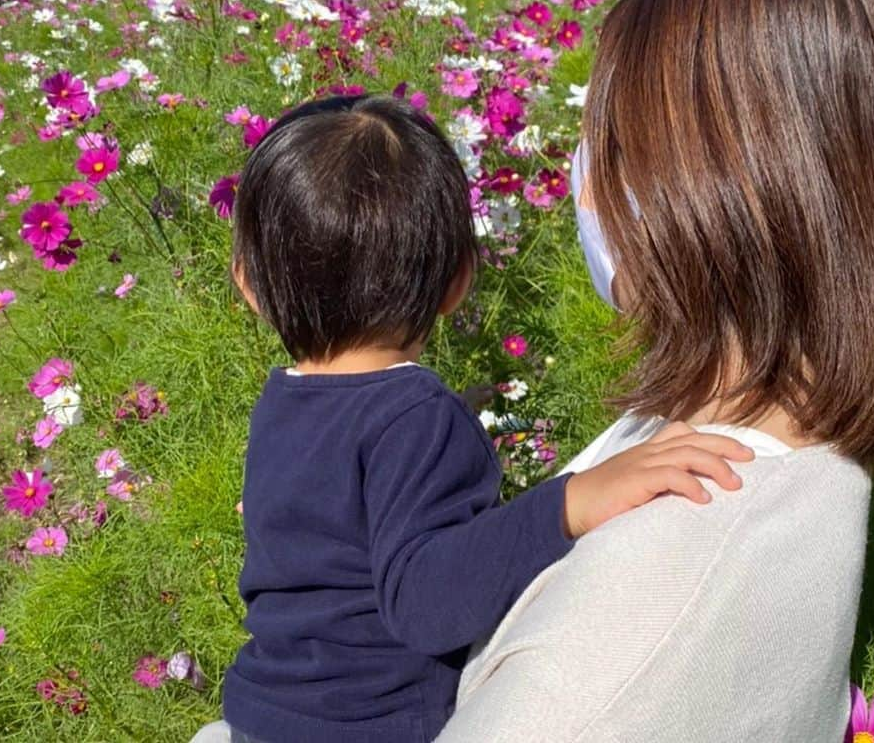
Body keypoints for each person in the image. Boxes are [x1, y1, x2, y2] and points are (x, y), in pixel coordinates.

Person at [437, 0, 874, 741]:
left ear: (702, 192)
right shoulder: (798, 455)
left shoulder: (603, 671)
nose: (582, 185)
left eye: (606, 144)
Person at [194, 95, 753, 743]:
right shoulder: (416, 417)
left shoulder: (282, 403)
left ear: (249, 287)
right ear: (460, 279)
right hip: (369, 726)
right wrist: (570, 502)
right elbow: (427, 601)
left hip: (263, 713)